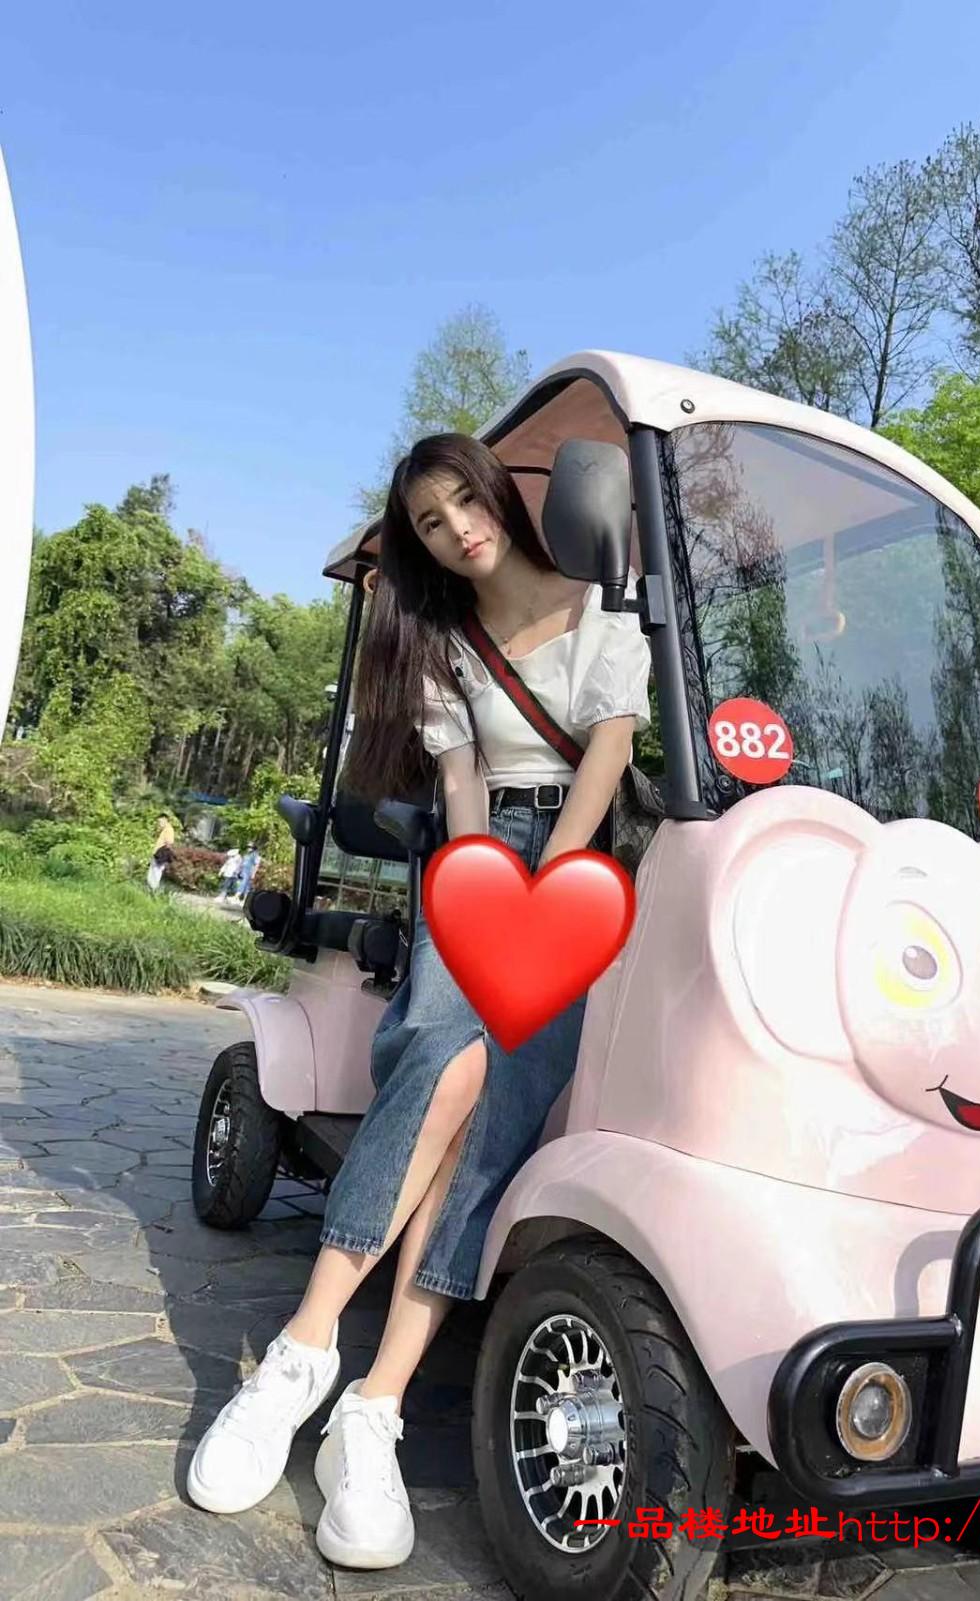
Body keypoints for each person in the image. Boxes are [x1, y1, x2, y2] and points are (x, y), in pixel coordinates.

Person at [187, 433, 651, 1569]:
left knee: (494, 1112)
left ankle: (374, 1407)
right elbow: (462, 781)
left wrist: (549, 889)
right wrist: (490, 893)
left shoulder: (607, 614)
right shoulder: (447, 641)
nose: (457, 531)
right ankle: (304, 1353)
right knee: (447, 1056)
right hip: (480, 860)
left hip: (579, 869)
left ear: (500, 496)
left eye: (463, 504)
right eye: (432, 524)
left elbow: (605, 759)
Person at [145, 814, 175, 893]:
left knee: (156, 873)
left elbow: (169, 843)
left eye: (160, 821)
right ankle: (150, 889)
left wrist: (162, 854)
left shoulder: (169, 830)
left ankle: (153, 890)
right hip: (157, 854)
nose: (159, 824)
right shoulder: (164, 830)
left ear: (165, 819)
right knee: (152, 873)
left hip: (161, 855)